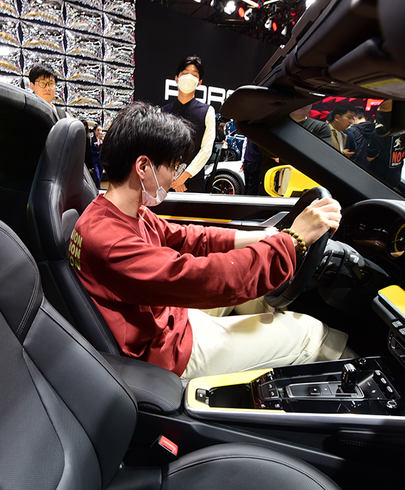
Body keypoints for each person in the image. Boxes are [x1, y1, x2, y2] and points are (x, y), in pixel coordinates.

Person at [69, 102, 350, 378]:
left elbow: (191, 238)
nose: (174, 177)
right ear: (143, 166)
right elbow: (195, 276)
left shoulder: (124, 211)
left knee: (262, 301)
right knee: (309, 333)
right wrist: (292, 241)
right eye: (172, 167)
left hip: (166, 317)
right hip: (164, 350)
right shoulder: (109, 240)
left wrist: (266, 236)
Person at [161, 56, 215, 193]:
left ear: (199, 82)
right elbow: (158, 148)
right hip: (165, 182)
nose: (188, 77)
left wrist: (183, 177)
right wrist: (172, 178)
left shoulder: (207, 111)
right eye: (185, 73)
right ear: (176, 78)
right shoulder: (163, 112)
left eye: (194, 75)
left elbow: (206, 149)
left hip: (194, 181)